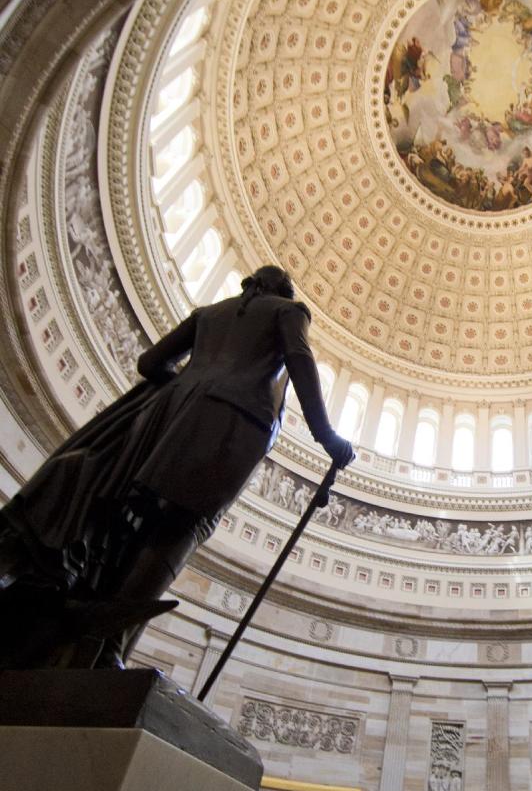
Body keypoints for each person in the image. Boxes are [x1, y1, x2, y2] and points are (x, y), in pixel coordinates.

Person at [0, 264, 355, 669]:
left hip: (168, 417)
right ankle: (108, 645)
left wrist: (189, 384)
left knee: (136, 520)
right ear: (282, 291)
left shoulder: (209, 314)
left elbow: (150, 362)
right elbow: (300, 360)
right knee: (185, 525)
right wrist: (326, 434)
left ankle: (89, 631)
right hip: (234, 424)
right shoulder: (288, 312)